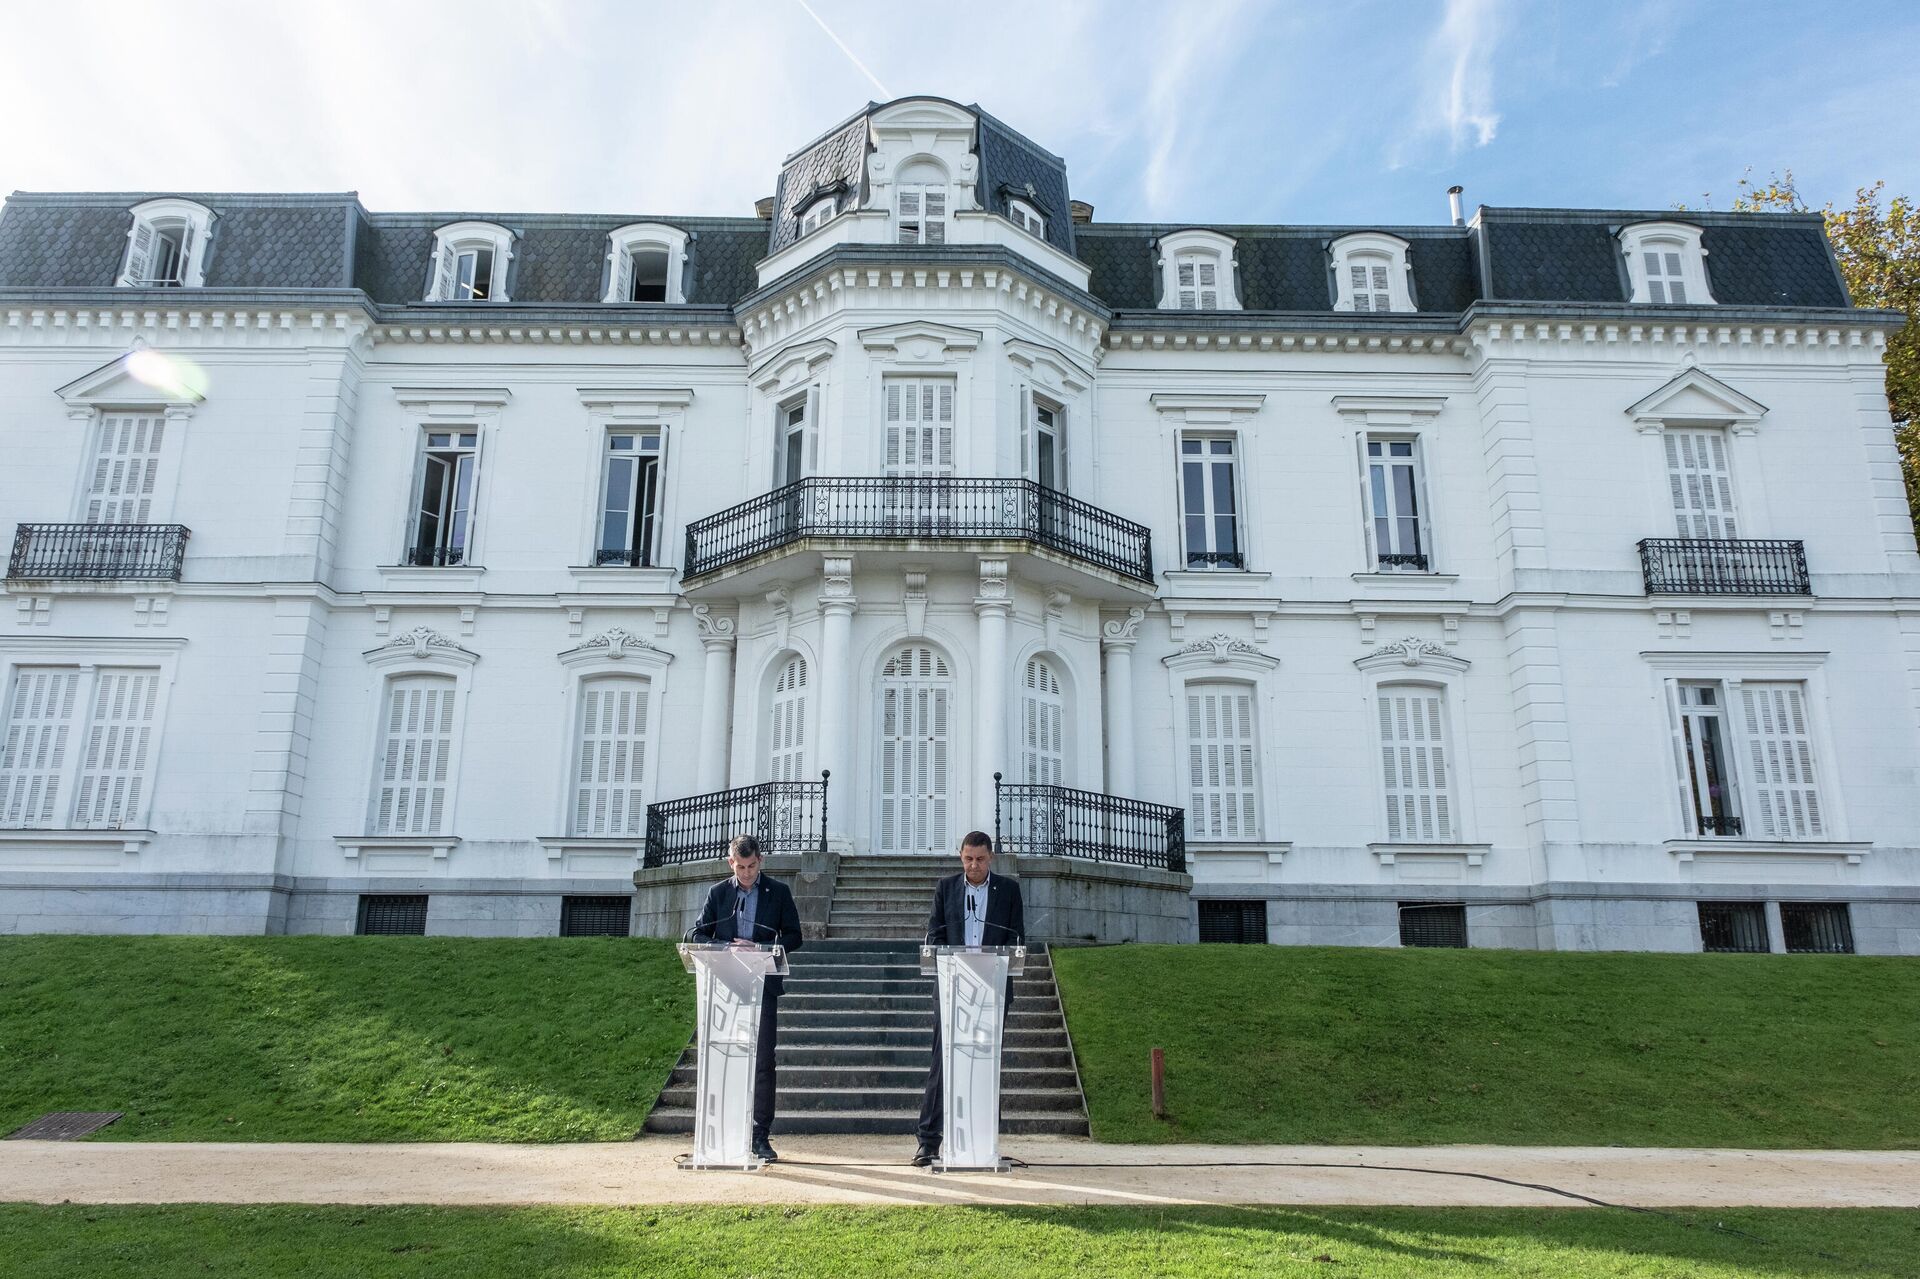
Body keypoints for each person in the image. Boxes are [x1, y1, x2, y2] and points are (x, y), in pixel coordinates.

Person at [913, 829, 1025, 1167]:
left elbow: (1017, 938)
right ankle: (929, 1141)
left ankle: (983, 1139)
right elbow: (935, 932)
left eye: (979, 859)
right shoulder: (946, 888)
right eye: (967, 859)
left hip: (992, 987)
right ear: (960, 857)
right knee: (942, 1063)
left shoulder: (1008, 890)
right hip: (952, 987)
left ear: (991, 857)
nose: (973, 865)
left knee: (987, 1064)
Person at [689, 833, 803, 1162]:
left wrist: (763, 949)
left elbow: (795, 936)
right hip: (725, 988)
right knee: (726, 1059)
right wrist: (725, 948)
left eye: (752, 866)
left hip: (762, 984)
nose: (747, 873)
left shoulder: (778, 892)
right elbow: (698, 933)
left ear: (760, 861)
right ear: (731, 863)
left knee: (764, 1063)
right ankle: (726, 1130)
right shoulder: (719, 893)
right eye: (740, 867)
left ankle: (760, 1135)